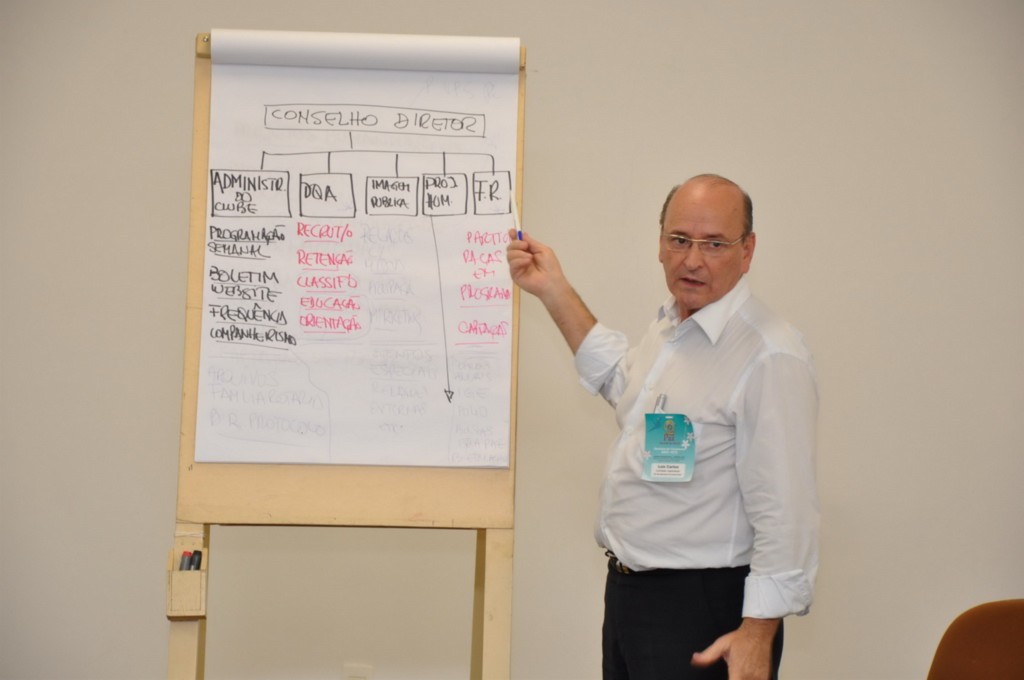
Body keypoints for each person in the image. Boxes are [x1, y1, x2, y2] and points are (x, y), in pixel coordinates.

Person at [507, 174, 819, 680]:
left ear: (747, 251)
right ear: (659, 244)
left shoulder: (769, 353)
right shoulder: (674, 326)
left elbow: (787, 511)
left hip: (702, 610)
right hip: (631, 596)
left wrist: (758, 635)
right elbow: (624, 386)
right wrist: (553, 289)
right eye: (679, 240)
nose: (692, 260)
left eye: (714, 244)